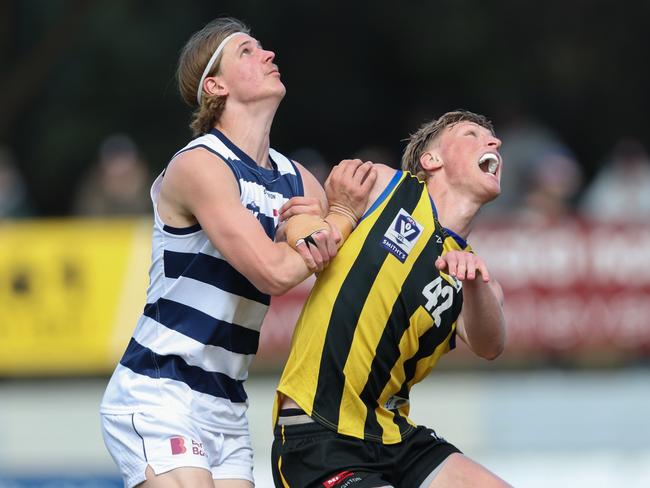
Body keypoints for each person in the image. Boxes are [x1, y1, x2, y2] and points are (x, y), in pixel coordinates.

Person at [99, 17, 375, 488]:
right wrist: (339, 218)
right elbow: (272, 270)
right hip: (161, 390)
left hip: (227, 404)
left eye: (264, 48)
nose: (268, 55)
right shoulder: (200, 164)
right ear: (216, 85)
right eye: (247, 51)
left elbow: (345, 261)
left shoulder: (296, 179)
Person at [273, 110, 511, 487]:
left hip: (393, 435)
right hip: (319, 431)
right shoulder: (385, 186)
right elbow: (292, 220)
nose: (494, 143)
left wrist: (475, 283)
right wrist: (305, 225)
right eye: (471, 134)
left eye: (492, 137)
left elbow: (491, 345)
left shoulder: (476, 277)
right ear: (431, 160)